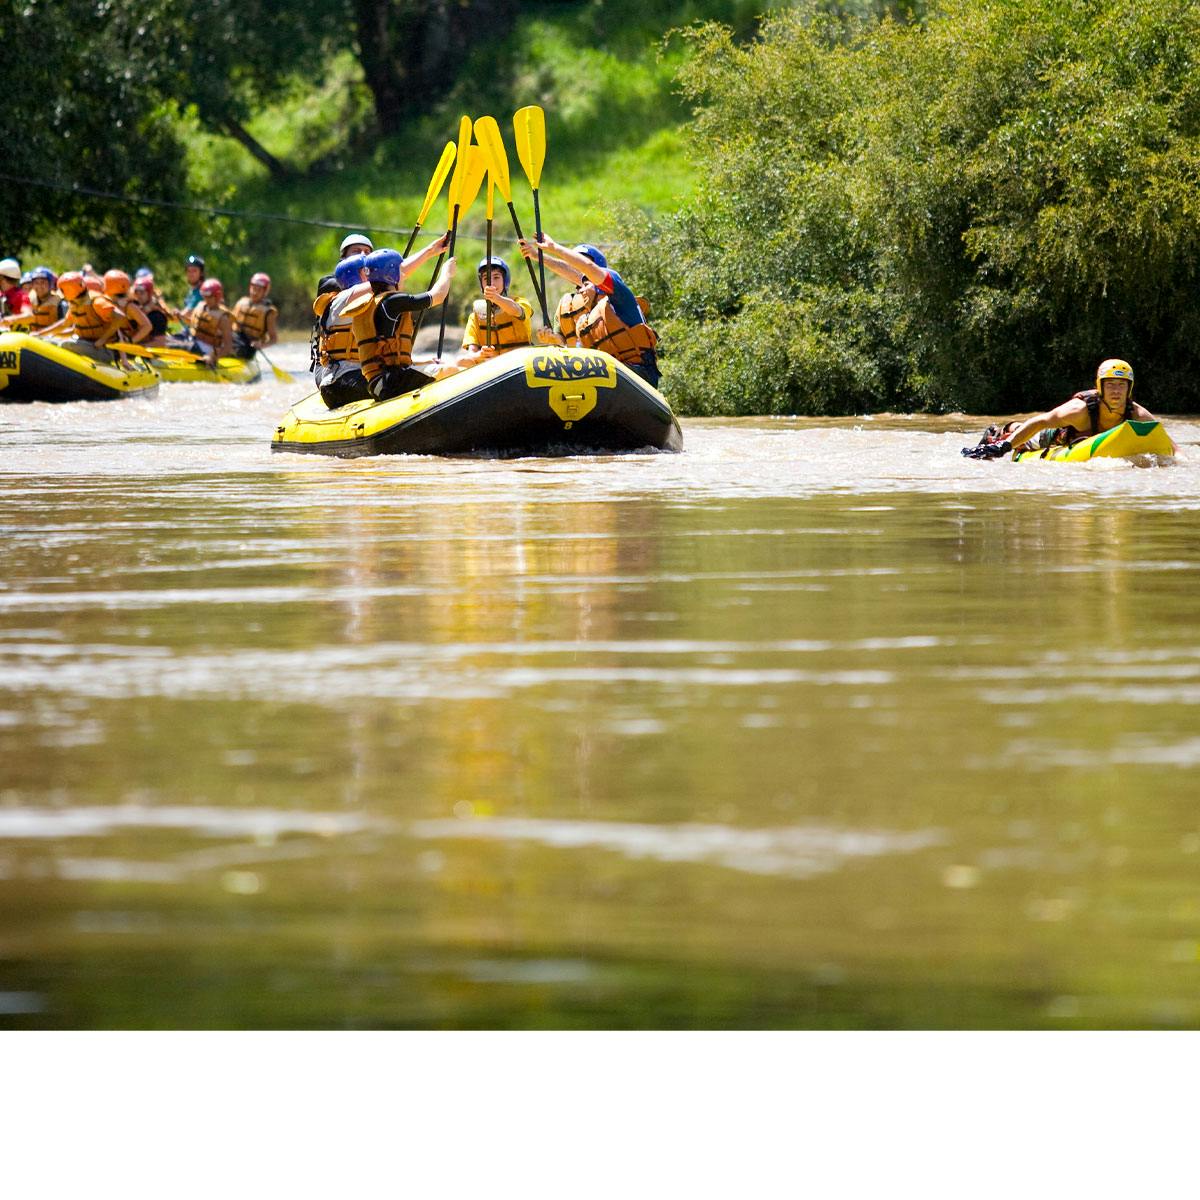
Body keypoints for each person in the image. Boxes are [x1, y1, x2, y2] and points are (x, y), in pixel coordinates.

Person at [519, 236, 660, 386]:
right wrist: (555, 342)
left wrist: (554, 248)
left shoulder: (620, 298)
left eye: (586, 285)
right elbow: (581, 359)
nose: (581, 289)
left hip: (640, 373)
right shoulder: (586, 323)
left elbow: (588, 268)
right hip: (610, 376)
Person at [962, 359, 1172, 458]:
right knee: (1026, 440)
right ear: (1100, 387)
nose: (1116, 391)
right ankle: (998, 432)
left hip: (1088, 439)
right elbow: (1040, 421)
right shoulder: (1079, 409)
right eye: (1110, 385)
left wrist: (1181, 462)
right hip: (1060, 436)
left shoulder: (1137, 413)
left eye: (1121, 385)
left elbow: (1168, 443)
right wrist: (1003, 446)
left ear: (1129, 388)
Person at [347, 246, 455, 402]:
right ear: (392, 276)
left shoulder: (370, 304)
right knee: (451, 370)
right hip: (392, 381)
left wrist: (422, 362)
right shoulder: (393, 302)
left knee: (450, 364)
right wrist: (447, 273)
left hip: (378, 382)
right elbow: (438, 296)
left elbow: (386, 353)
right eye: (400, 271)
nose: (404, 275)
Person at [312, 255, 371, 408]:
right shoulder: (342, 300)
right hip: (343, 381)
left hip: (345, 379)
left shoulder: (367, 303)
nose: (371, 274)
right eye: (366, 271)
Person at [457, 256, 533, 368]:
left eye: (496, 277)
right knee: (460, 361)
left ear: (505, 281)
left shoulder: (520, 302)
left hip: (520, 364)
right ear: (482, 284)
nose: (491, 283)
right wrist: (480, 355)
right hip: (493, 368)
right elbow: (471, 353)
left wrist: (497, 298)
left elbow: (516, 311)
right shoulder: (475, 316)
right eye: (486, 278)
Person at [52, 271, 127, 359]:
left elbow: (120, 318)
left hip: (105, 350)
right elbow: (66, 325)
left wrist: (102, 340)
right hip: (87, 343)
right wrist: (45, 333)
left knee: (66, 344)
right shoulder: (75, 305)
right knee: (53, 341)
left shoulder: (98, 302)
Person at [231, 272, 279, 359]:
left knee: (240, 349)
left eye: (259, 290)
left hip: (248, 345)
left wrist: (261, 345)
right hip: (234, 338)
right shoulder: (242, 302)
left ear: (265, 291)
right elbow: (229, 323)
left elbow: (273, 339)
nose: (254, 292)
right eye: (253, 288)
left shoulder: (268, 312)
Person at [187, 278, 234, 366]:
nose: (206, 299)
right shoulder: (202, 307)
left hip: (206, 350)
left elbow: (228, 346)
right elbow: (195, 325)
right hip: (193, 342)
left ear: (217, 297)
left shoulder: (223, 318)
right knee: (170, 340)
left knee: (177, 345)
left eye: (209, 297)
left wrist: (213, 357)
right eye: (204, 296)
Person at [102, 269, 154, 347]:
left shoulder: (129, 306)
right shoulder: (106, 302)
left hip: (132, 347)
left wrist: (130, 341)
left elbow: (147, 326)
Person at [2, 266, 62, 330]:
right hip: (32, 335)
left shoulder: (59, 303)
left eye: (43, 282)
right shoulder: (29, 299)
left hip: (52, 336)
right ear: (32, 285)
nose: (39, 286)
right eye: (36, 283)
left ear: (50, 284)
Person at [131, 274, 172, 345]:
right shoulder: (134, 309)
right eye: (136, 292)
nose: (138, 296)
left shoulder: (156, 316)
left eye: (142, 293)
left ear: (149, 293)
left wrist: (138, 347)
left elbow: (160, 343)